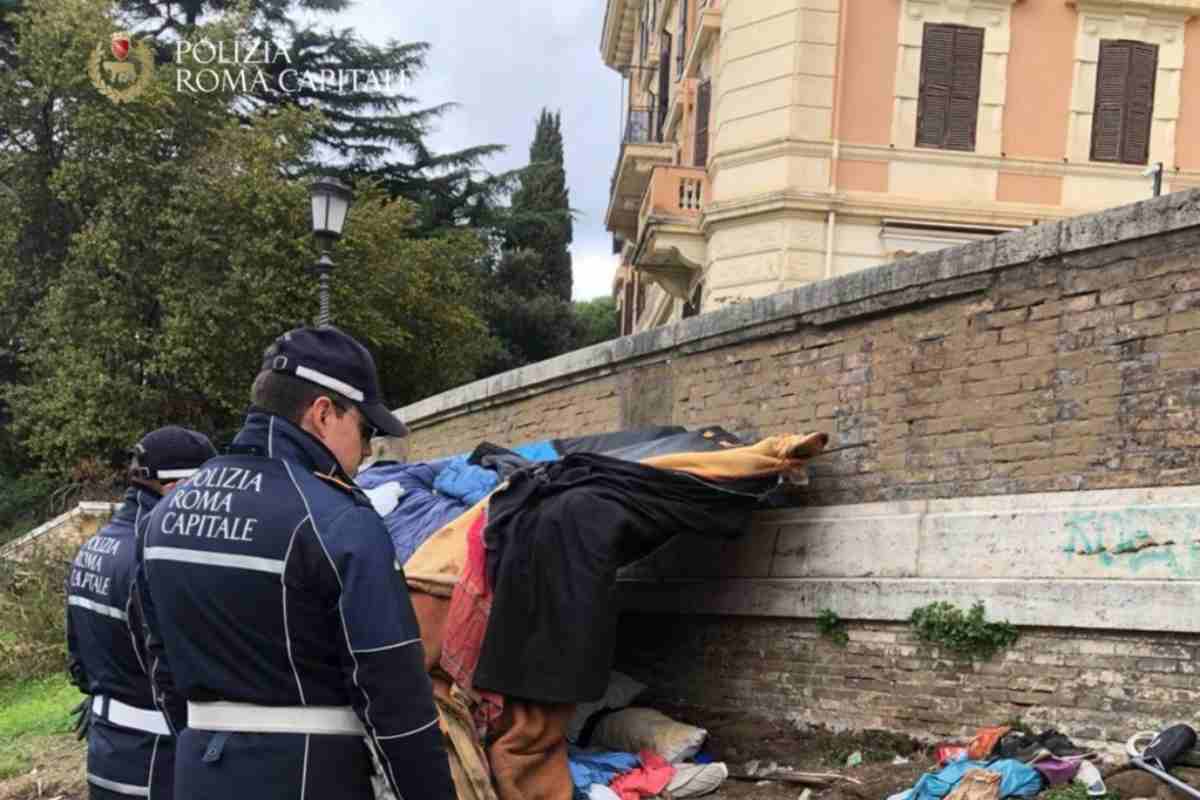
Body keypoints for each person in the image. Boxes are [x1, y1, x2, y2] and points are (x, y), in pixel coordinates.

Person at [139, 325, 454, 800]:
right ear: (324, 413)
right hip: (313, 777)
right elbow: (395, 697)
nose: (366, 452)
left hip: (199, 774)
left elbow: (160, 668)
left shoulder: (164, 517)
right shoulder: (337, 520)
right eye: (364, 430)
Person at [67, 426, 217, 800]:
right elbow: (173, 669)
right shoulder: (152, 555)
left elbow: (79, 661)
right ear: (173, 487)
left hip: (106, 752)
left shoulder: (95, 546)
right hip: (157, 758)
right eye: (206, 489)